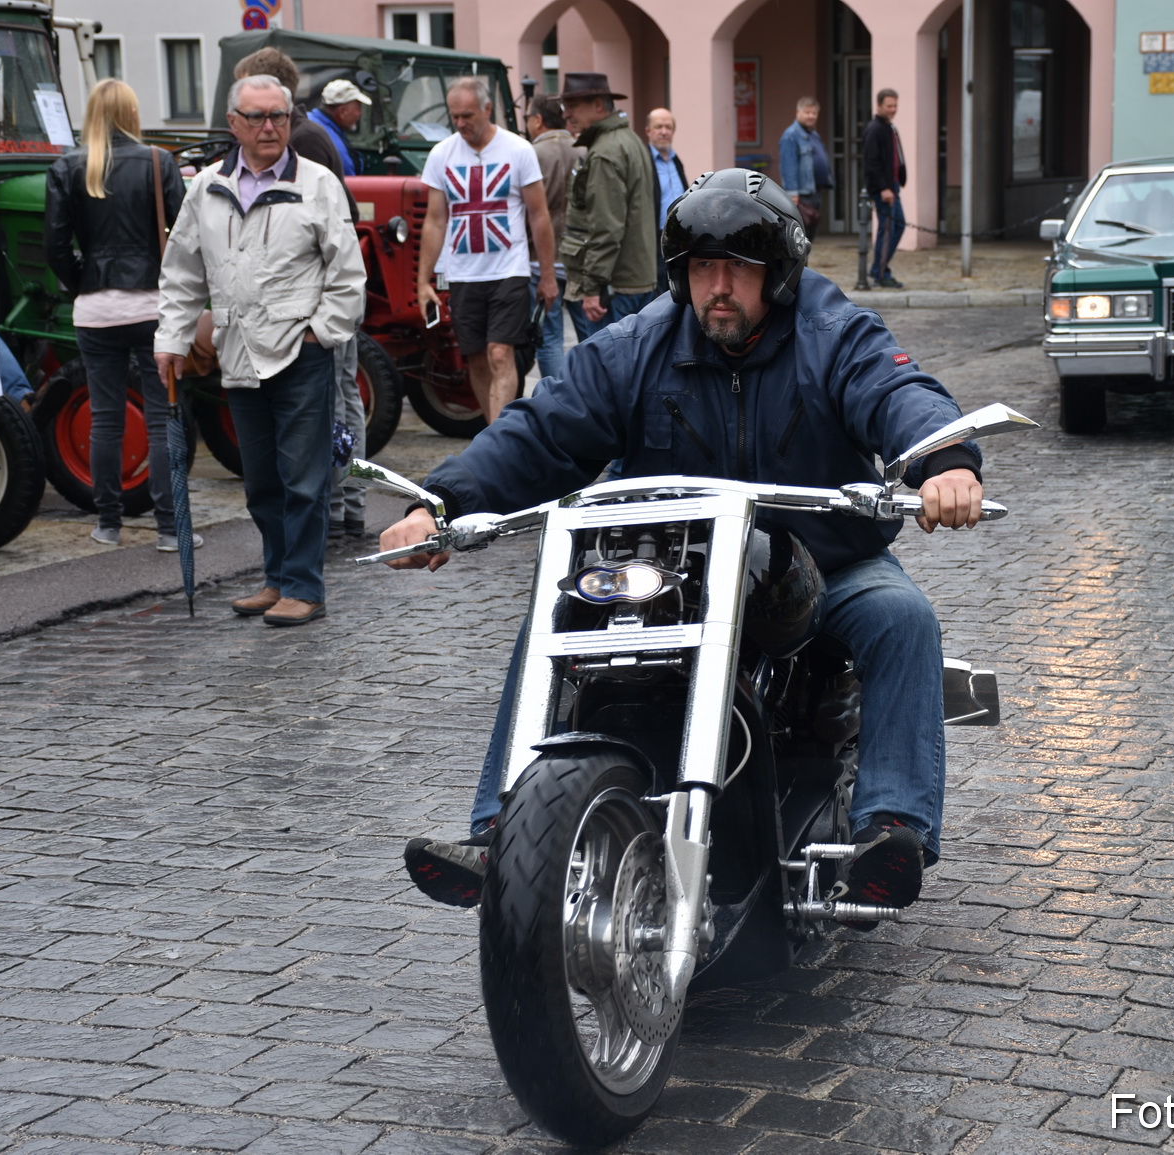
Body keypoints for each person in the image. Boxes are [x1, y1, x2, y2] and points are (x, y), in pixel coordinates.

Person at [389, 169, 984, 917]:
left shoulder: (830, 331)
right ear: (681, 275)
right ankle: (501, 827)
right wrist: (441, 502)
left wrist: (947, 460)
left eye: (739, 267)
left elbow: (898, 391)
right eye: (703, 268)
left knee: (902, 618)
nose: (720, 286)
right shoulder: (637, 345)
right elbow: (545, 428)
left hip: (827, 555)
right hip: (678, 565)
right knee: (559, 609)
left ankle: (888, 829)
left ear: (779, 273)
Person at [154, 75, 365, 626]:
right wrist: (172, 340)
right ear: (234, 124)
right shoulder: (206, 187)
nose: (269, 127)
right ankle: (277, 578)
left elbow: (347, 274)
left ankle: (304, 586)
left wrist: (322, 333)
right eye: (257, 117)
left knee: (305, 477)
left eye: (279, 116)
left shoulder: (317, 183)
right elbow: (181, 271)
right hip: (238, 349)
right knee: (262, 479)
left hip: (299, 350)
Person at [44, 78, 198, 553]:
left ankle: (108, 523)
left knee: (106, 419)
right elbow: (184, 235)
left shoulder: (69, 166)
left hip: (95, 309)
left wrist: (82, 282)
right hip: (153, 305)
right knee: (160, 418)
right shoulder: (159, 162)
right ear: (132, 113)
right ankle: (170, 530)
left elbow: (54, 246)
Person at [233, 48, 366, 540]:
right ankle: (343, 505)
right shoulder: (312, 134)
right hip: (307, 308)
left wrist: (321, 326)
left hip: (312, 308)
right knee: (342, 395)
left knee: (335, 400)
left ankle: (338, 505)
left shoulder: (304, 142)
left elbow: (325, 235)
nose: (259, 124)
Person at [416, 76, 555, 424]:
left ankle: (497, 442)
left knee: (499, 353)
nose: (461, 124)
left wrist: (548, 276)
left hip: (509, 270)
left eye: (468, 116)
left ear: (487, 109)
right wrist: (423, 281)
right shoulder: (441, 154)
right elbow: (434, 221)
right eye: (455, 116)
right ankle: (497, 431)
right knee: (476, 358)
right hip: (463, 274)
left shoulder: (518, 150)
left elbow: (539, 215)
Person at [558, 72, 657, 337]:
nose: (566, 114)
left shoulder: (605, 152)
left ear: (599, 105)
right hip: (636, 279)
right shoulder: (629, 140)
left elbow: (606, 228)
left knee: (607, 373)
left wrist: (592, 288)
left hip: (614, 286)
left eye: (573, 107)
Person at [526, 95, 583, 382]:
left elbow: (528, 212)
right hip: (580, 259)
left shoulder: (531, 154)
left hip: (540, 261)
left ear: (538, 120)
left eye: (527, 118)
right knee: (591, 338)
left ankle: (559, 402)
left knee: (550, 339)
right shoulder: (584, 151)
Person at [862, 88, 907, 289]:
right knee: (888, 230)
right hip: (885, 190)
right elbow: (872, 163)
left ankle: (880, 268)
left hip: (893, 187)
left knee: (897, 226)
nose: (893, 109)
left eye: (895, 105)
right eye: (889, 105)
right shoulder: (875, 129)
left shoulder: (888, 127)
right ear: (879, 105)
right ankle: (880, 272)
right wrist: (883, 188)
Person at [779, 97, 831, 244]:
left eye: (814, 113)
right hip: (802, 196)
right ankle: (800, 267)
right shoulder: (790, 136)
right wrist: (792, 195)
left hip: (815, 192)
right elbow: (788, 166)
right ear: (798, 112)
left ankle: (804, 266)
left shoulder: (813, 135)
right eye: (807, 112)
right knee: (800, 237)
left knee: (809, 237)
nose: (811, 116)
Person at [646, 107, 687, 295]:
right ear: (649, 131)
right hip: (654, 238)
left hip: (677, 236)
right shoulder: (645, 161)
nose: (664, 132)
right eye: (659, 127)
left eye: (668, 127)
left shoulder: (675, 160)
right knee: (658, 291)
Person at [309, 79, 371, 176]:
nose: (360, 113)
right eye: (358, 108)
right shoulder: (334, 144)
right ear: (342, 112)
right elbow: (349, 182)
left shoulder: (309, 119)